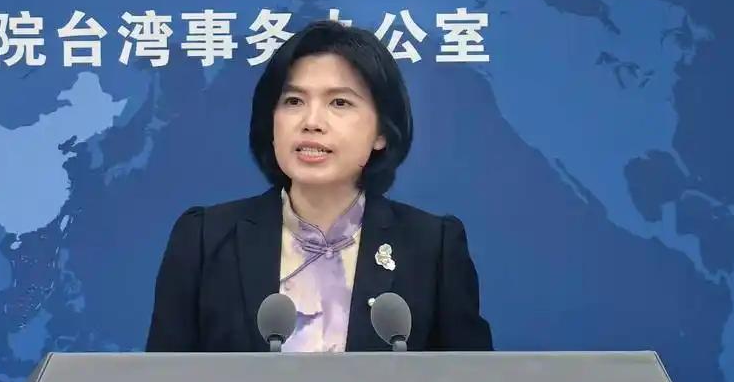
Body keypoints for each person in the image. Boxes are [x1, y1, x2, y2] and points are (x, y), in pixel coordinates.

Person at [146, 19, 492, 353]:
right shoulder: (206, 241)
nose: (311, 122)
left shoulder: (432, 249)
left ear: (382, 132)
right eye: (293, 101)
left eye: (339, 102)